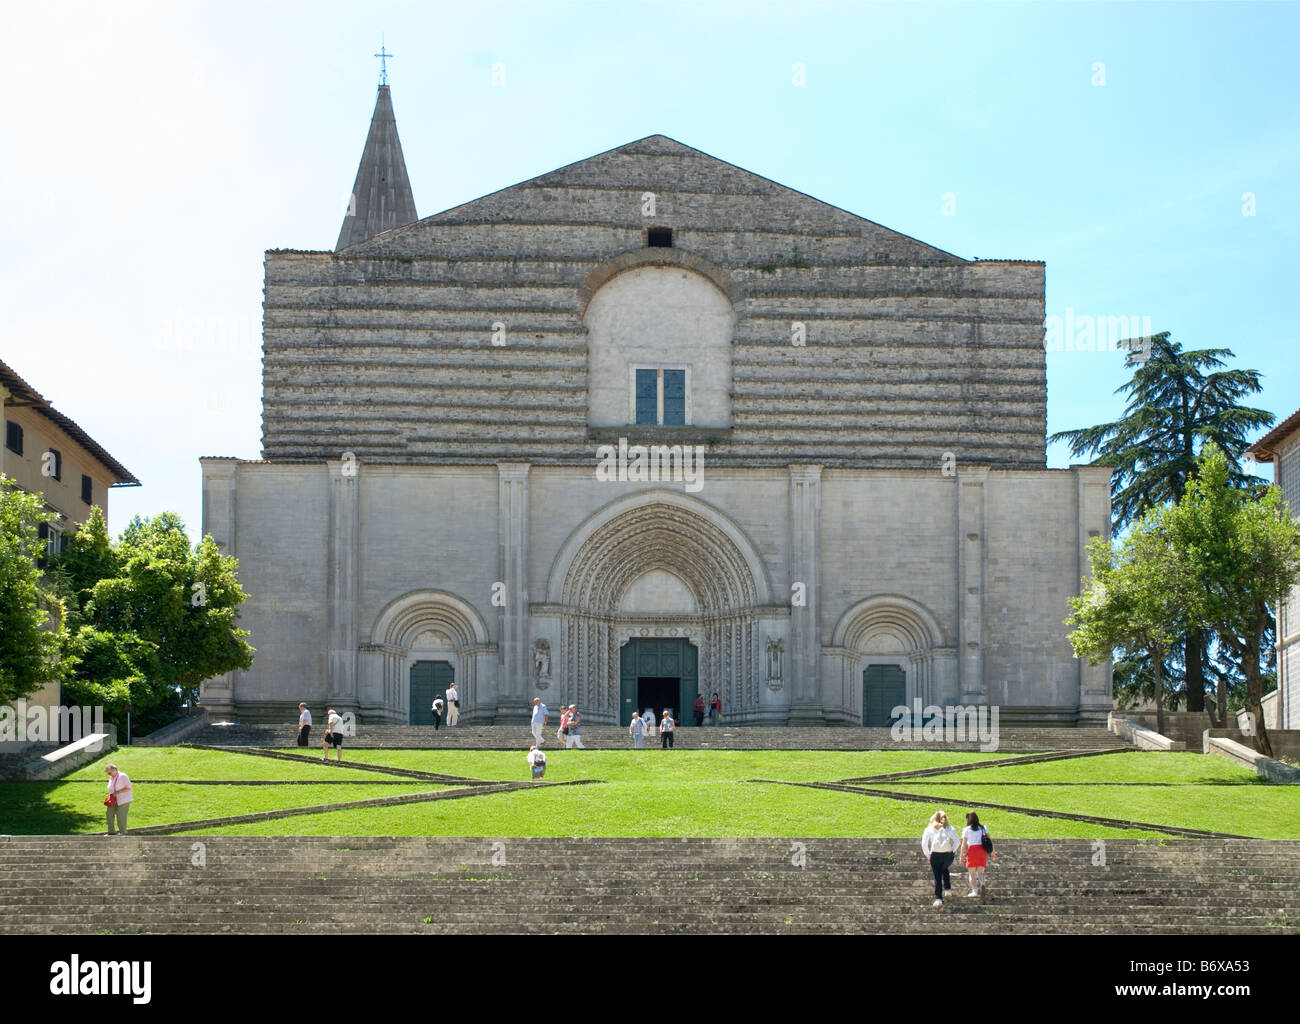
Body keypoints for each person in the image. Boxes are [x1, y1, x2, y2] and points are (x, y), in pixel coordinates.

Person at [921, 810, 958, 907]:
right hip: (947, 855)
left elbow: (924, 844)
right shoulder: (950, 828)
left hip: (935, 854)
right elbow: (957, 842)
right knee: (944, 868)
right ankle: (947, 889)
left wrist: (928, 856)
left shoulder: (929, 829)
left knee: (937, 875)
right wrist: (951, 851)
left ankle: (939, 898)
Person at [958, 811, 996, 897]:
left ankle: (974, 891)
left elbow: (963, 845)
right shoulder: (983, 828)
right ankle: (982, 883)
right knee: (980, 873)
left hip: (972, 851)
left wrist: (961, 856)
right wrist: (993, 852)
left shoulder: (966, 830)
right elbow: (989, 840)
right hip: (982, 851)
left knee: (972, 873)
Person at [104, 764, 133, 835]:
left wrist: (118, 792)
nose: (109, 774)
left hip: (124, 799)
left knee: (121, 816)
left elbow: (129, 787)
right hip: (113, 799)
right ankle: (111, 832)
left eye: (109, 772)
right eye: (108, 773)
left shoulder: (123, 776)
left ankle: (123, 832)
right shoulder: (111, 777)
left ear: (115, 770)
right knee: (109, 814)